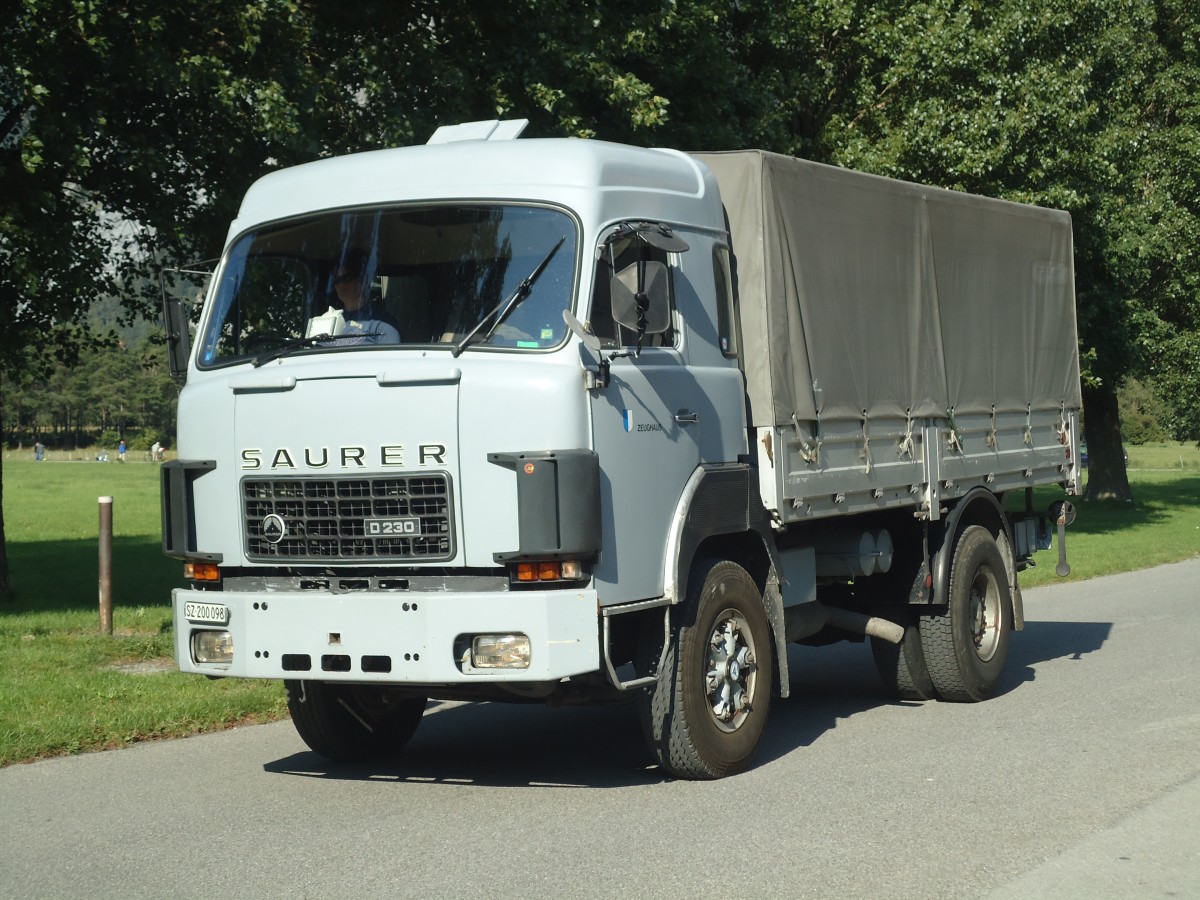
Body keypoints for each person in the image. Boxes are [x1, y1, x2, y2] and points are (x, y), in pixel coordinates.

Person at [310, 249, 400, 345]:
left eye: (347, 278)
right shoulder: (327, 321)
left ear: (365, 280)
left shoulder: (382, 323)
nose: (341, 285)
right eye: (336, 280)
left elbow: (390, 358)